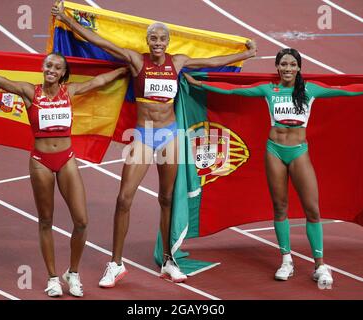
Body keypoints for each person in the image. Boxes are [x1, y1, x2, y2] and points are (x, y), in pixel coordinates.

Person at [51, 2, 257, 286]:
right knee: (124, 198)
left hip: (171, 135)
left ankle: (169, 259)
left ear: (167, 42)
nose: (157, 43)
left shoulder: (179, 62)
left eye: (161, 39)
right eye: (153, 39)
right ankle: (115, 264)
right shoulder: (137, 61)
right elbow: (99, 41)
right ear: (147, 41)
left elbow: (211, 62)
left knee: (167, 198)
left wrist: (246, 53)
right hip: (143, 135)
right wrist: (66, 20)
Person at [184, 48, 363, 288]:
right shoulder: (269, 90)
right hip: (274, 151)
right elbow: (234, 90)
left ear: (298, 68)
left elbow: (346, 91)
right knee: (280, 207)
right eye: (283, 64)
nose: (287, 68)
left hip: (299, 152)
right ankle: (286, 260)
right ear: (277, 67)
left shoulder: (310, 90)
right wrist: (199, 85)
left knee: (312, 210)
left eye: (291, 65)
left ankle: (320, 265)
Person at [0, 52, 128, 297]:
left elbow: (99, 82)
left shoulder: (70, 91)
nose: (51, 70)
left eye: (57, 67)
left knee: (81, 221)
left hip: (66, 158)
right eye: (48, 65)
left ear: (62, 73)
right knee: (45, 221)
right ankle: (53, 278)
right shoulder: (29, 92)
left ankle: (73, 273)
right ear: (43, 67)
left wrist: (124, 71)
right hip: (40, 162)